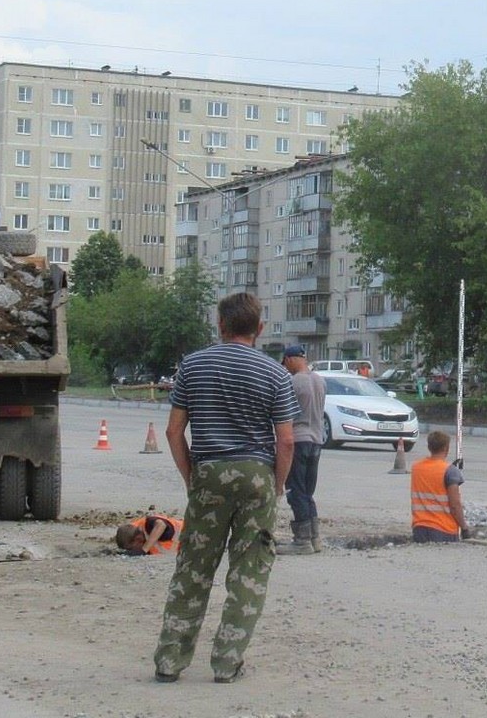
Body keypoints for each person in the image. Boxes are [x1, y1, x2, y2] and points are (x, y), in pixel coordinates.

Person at [152, 292, 299, 685]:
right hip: (256, 476)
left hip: (208, 472)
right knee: (249, 571)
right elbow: (285, 441)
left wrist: (191, 477)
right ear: (260, 329)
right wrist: (277, 484)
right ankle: (226, 663)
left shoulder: (193, 366)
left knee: (194, 569)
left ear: (220, 325)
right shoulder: (275, 373)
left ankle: (170, 660)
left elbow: (173, 431)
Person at [276, 345, 325, 555]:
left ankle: (302, 541)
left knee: (295, 490)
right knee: (307, 491)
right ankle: (315, 538)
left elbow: (285, 413)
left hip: (298, 439)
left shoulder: (293, 381)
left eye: (285, 363)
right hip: (316, 439)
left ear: (289, 359)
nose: (285, 368)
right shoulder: (319, 380)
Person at [410, 430, 472, 542]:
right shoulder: (450, 471)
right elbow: (455, 505)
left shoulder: (416, 468)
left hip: (419, 527)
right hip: (443, 529)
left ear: (429, 447)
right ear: (446, 448)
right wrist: (464, 527)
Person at [116, 513, 184, 556]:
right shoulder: (131, 530)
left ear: (138, 539)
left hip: (191, 534)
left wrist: (144, 550)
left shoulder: (149, 524)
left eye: (131, 548)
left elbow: (161, 524)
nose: (132, 551)